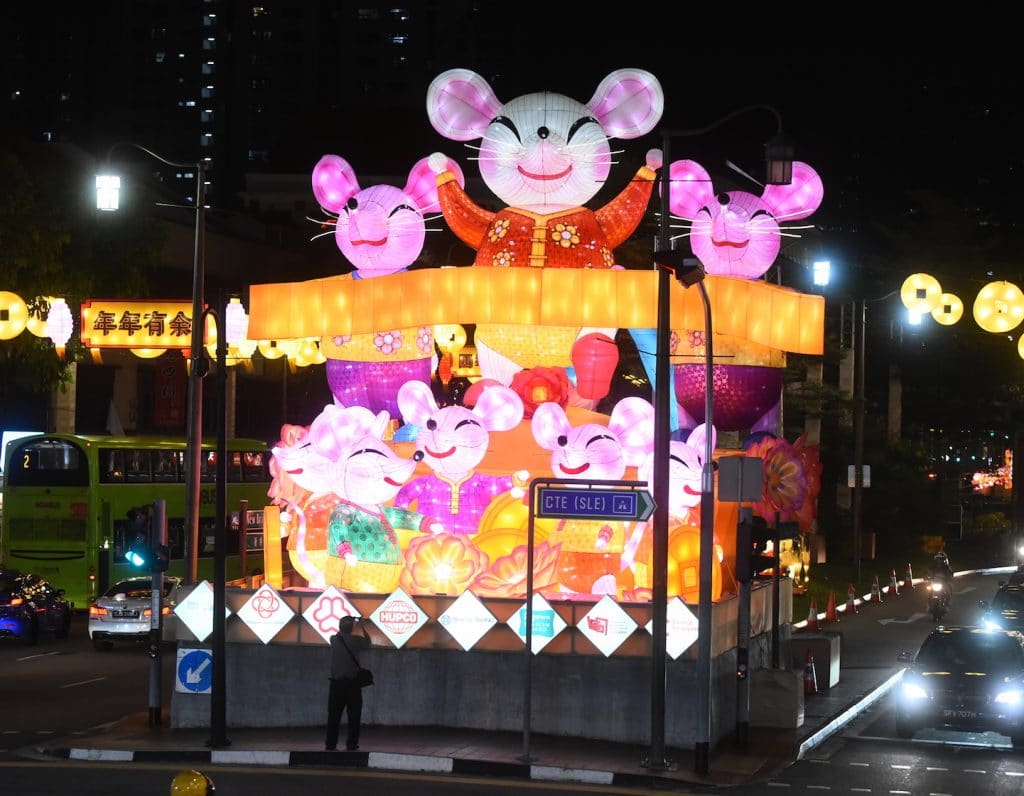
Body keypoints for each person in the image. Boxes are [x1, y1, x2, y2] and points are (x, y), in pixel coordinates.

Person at [326, 615, 371, 751]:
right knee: (354, 716)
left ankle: (330, 744)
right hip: (352, 685)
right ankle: (351, 744)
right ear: (351, 628)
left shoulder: (333, 639)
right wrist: (361, 626)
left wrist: (348, 625)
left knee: (334, 716)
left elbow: (339, 633)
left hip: (336, 684)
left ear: (340, 627)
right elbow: (368, 643)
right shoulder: (356, 641)